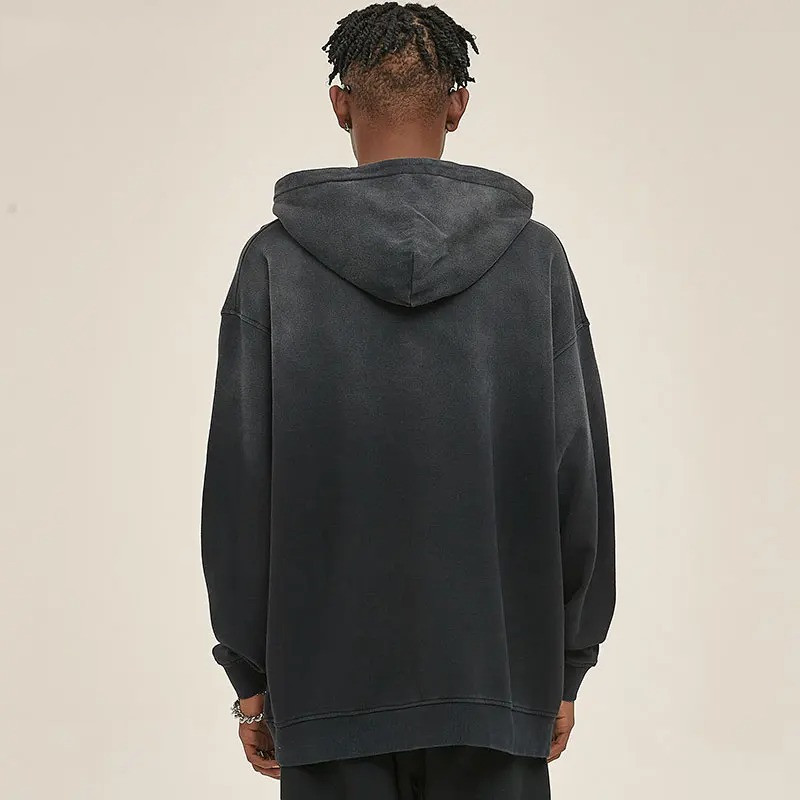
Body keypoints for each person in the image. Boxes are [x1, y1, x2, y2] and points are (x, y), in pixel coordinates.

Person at [200, 2, 616, 798]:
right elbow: (579, 474)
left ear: (340, 103)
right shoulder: (533, 261)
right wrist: (566, 665)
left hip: (324, 693)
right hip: (495, 685)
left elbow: (239, 485)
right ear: (458, 104)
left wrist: (250, 679)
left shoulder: (273, 264)